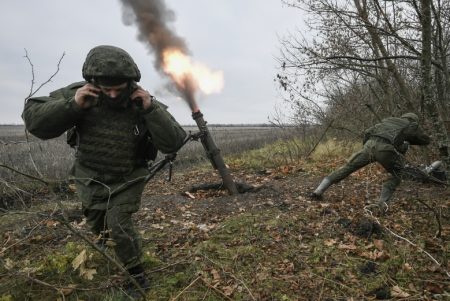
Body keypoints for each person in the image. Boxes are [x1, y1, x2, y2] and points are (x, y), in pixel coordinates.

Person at [22, 45, 187, 296]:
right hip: (89, 176)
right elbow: (34, 119)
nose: (111, 95)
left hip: (129, 177)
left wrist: (151, 109)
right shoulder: (79, 93)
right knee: (98, 226)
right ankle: (111, 249)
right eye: (105, 89)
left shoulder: (142, 100)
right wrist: (73, 105)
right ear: (93, 81)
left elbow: (174, 142)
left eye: (117, 89)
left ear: (130, 83)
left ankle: (136, 275)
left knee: (118, 224)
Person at [310, 113, 431, 209]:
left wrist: (365, 146)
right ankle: (381, 204)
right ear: (414, 120)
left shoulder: (388, 120)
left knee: (347, 168)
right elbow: (425, 140)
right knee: (397, 175)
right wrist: (407, 143)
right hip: (386, 150)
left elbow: (368, 132)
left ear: (403, 117)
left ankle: (318, 190)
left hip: (369, 146)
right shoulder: (411, 125)